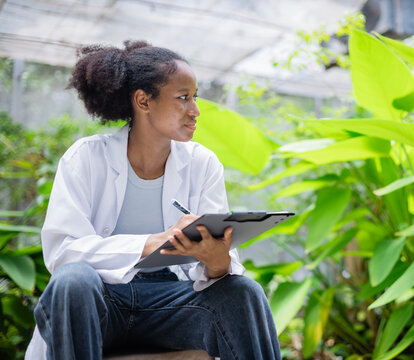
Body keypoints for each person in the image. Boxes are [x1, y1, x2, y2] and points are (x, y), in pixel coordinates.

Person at [25, 40, 281, 360]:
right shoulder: (86, 158)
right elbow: (63, 253)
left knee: (243, 292)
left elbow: (218, 273)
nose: (195, 110)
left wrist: (217, 261)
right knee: (73, 280)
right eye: (183, 97)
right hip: (101, 302)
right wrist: (152, 243)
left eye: (195, 98)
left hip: (170, 305)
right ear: (144, 101)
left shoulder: (203, 163)